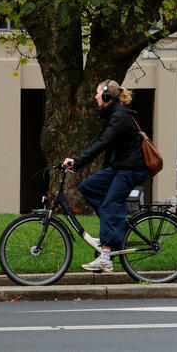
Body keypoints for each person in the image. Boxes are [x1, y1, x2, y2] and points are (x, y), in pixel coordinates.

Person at [62, 80, 148, 273]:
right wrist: (76, 159)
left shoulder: (120, 117)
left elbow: (102, 143)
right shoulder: (112, 115)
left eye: (98, 93)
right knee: (88, 187)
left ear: (108, 96)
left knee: (110, 205)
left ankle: (106, 259)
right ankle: (112, 228)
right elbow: (98, 140)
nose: (95, 96)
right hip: (120, 167)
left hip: (131, 169)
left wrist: (77, 161)